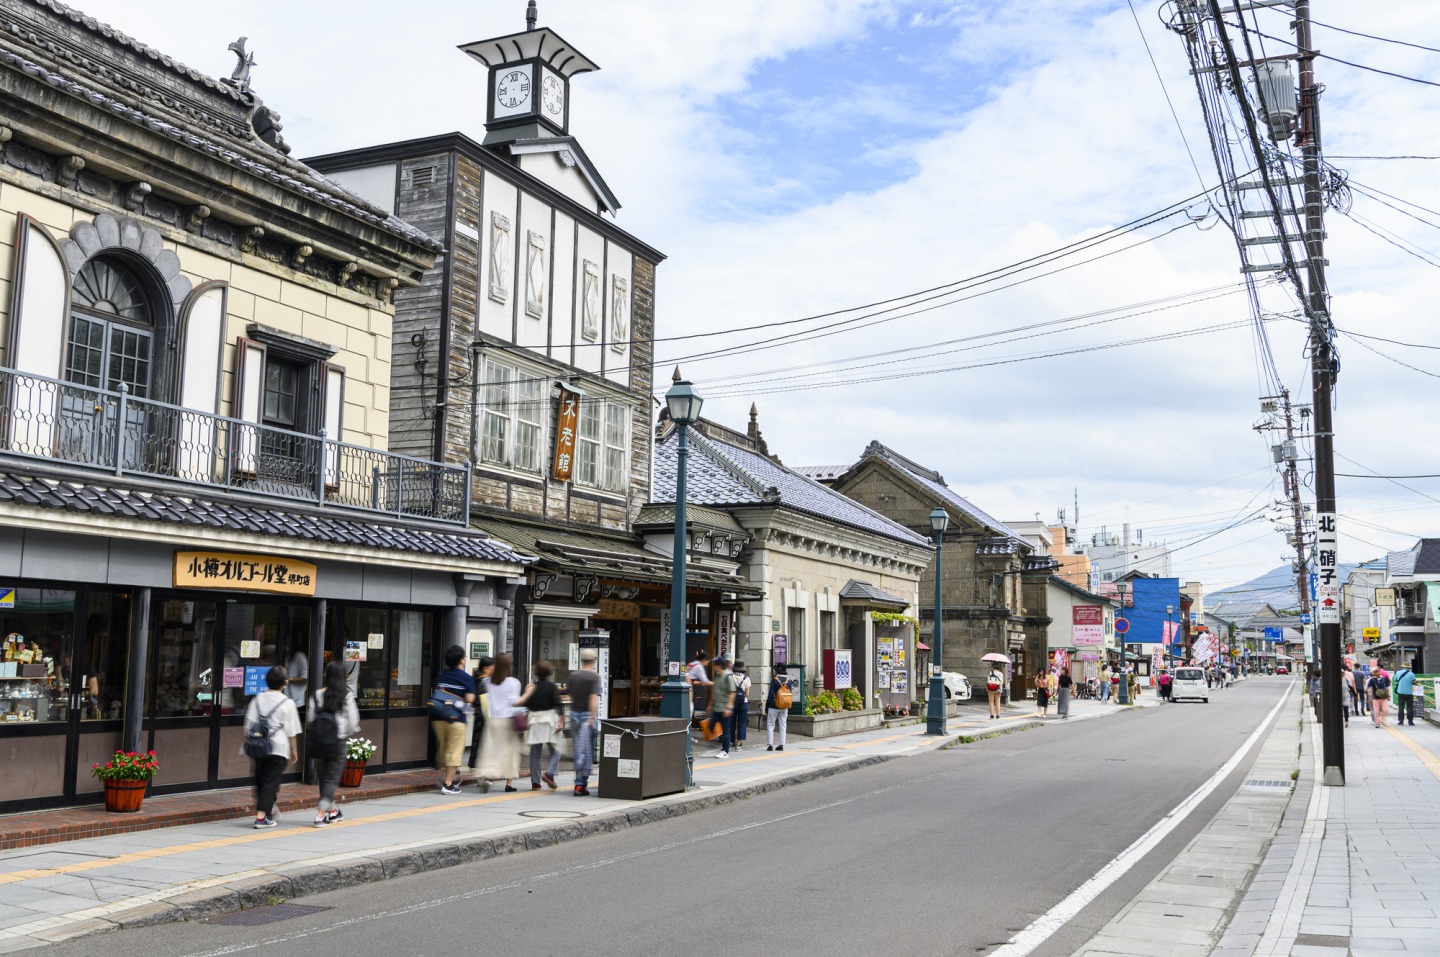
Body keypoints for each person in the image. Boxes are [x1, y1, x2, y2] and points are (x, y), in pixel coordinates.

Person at [242, 666, 301, 829]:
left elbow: (248, 724)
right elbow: (292, 731)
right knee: (270, 783)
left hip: (258, 747)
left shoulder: (258, 699)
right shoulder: (288, 703)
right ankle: (261, 817)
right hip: (278, 748)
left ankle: (267, 812)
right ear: (285, 683)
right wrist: (294, 750)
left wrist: (248, 743)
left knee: (260, 781)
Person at [309, 660, 359, 826]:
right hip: (337, 742)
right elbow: (353, 722)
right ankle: (320, 815)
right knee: (330, 780)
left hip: (318, 743)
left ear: (326, 675)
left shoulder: (317, 695)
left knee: (324, 780)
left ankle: (333, 812)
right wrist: (344, 733)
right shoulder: (346, 695)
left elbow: (310, 719)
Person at [431, 646, 475, 795]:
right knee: (454, 751)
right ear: (462, 660)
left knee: (445, 749)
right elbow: (469, 699)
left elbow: (436, 691)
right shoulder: (466, 677)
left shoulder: (442, 675)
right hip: (455, 718)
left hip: (438, 717)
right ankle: (448, 784)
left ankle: (444, 776)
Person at [476, 653, 521, 792]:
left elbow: (486, 701)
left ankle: (485, 777)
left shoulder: (488, 682)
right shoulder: (514, 682)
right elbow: (515, 702)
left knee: (490, 751)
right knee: (510, 752)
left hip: (493, 721)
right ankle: (509, 784)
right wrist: (528, 694)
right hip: (508, 721)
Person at [516, 659, 563, 790]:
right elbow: (558, 704)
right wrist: (561, 720)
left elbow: (526, 705)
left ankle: (535, 783)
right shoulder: (552, 687)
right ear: (549, 672)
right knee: (556, 749)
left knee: (535, 753)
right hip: (549, 721)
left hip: (535, 721)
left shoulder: (532, 687)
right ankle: (549, 773)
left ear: (536, 673)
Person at [567, 649, 601, 796]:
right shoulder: (594, 677)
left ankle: (578, 782)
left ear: (581, 660)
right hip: (587, 715)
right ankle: (581, 785)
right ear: (594, 661)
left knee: (578, 749)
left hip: (574, 714)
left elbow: (570, 693)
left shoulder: (573, 676)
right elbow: (593, 698)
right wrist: (592, 717)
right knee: (586, 750)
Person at [707, 657, 736, 758]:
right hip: (716, 707)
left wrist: (729, 707)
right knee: (710, 726)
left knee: (726, 730)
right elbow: (714, 692)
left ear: (719, 666)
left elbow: (732, 692)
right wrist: (710, 705)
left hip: (725, 708)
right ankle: (721, 746)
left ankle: (725, 751)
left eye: (714, 665)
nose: (713, 667)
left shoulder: (728, 677)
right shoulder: (717, 677)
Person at [766, 664, 789, 751]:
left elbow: (771, 694)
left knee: (771, 724)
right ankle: (781, 744)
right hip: (784, 706)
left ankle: (770, 745)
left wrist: (767, 705)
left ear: (777, 671)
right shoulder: (788, 681)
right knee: (783, 725)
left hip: (773, 706)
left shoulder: (774, 681)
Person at [730, 660, 751, 750]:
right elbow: (747, 694)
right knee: (741, 723)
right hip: (743, 703)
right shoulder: (746, 678)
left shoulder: (730, 677)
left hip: (732, 702)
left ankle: (732, 741)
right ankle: (738, 744)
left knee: (732, 722)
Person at [686, 649, 712, 722]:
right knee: (689, 708)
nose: (707, 664)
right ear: (704, 660)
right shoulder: (699, 666)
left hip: (685, 687)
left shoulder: (691, 664)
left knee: (687, 708)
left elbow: (692, 680)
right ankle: (687, 727)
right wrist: (716, 683)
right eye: (707, 661)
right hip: (689, 689)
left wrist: (700, 683)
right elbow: (706, 681)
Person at [1395, 662, 1418, 727]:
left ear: (1402, 667)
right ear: (1409, 668)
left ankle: (1401, 721)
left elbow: (1396, 680)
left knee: (1401, 707)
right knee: (1410, 707)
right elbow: (1414, 682)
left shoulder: (1398, 672)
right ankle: (1410, 721)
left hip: (1400, 691)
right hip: (1409, 692)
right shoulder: (1412, 674)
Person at [1341, 663, 1357, 727]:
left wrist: (1355, 694)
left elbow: (1350, 687)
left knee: (1345, 709)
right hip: (1339, 697)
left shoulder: (1346, 680)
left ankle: (1346, 721)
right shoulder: (1335, 681)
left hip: (1346, 696)